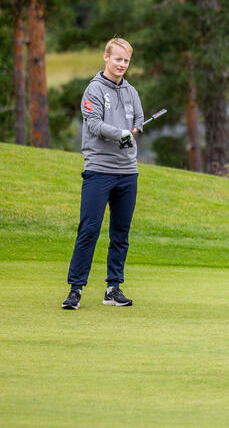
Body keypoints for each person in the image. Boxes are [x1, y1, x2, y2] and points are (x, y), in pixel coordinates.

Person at [62, 37, 144, 310]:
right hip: (99, 170)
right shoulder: (94, 90)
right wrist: (120, 132)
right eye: (118, 59)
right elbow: (95, 124)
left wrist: (133, 130)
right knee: (89, 229)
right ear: (106, 58)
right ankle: (75, 289)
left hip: (127, 172)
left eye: (126, 61)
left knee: (120, 232)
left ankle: (113, 288)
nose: (122, 65)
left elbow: (139, 121)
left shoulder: (131, 92)